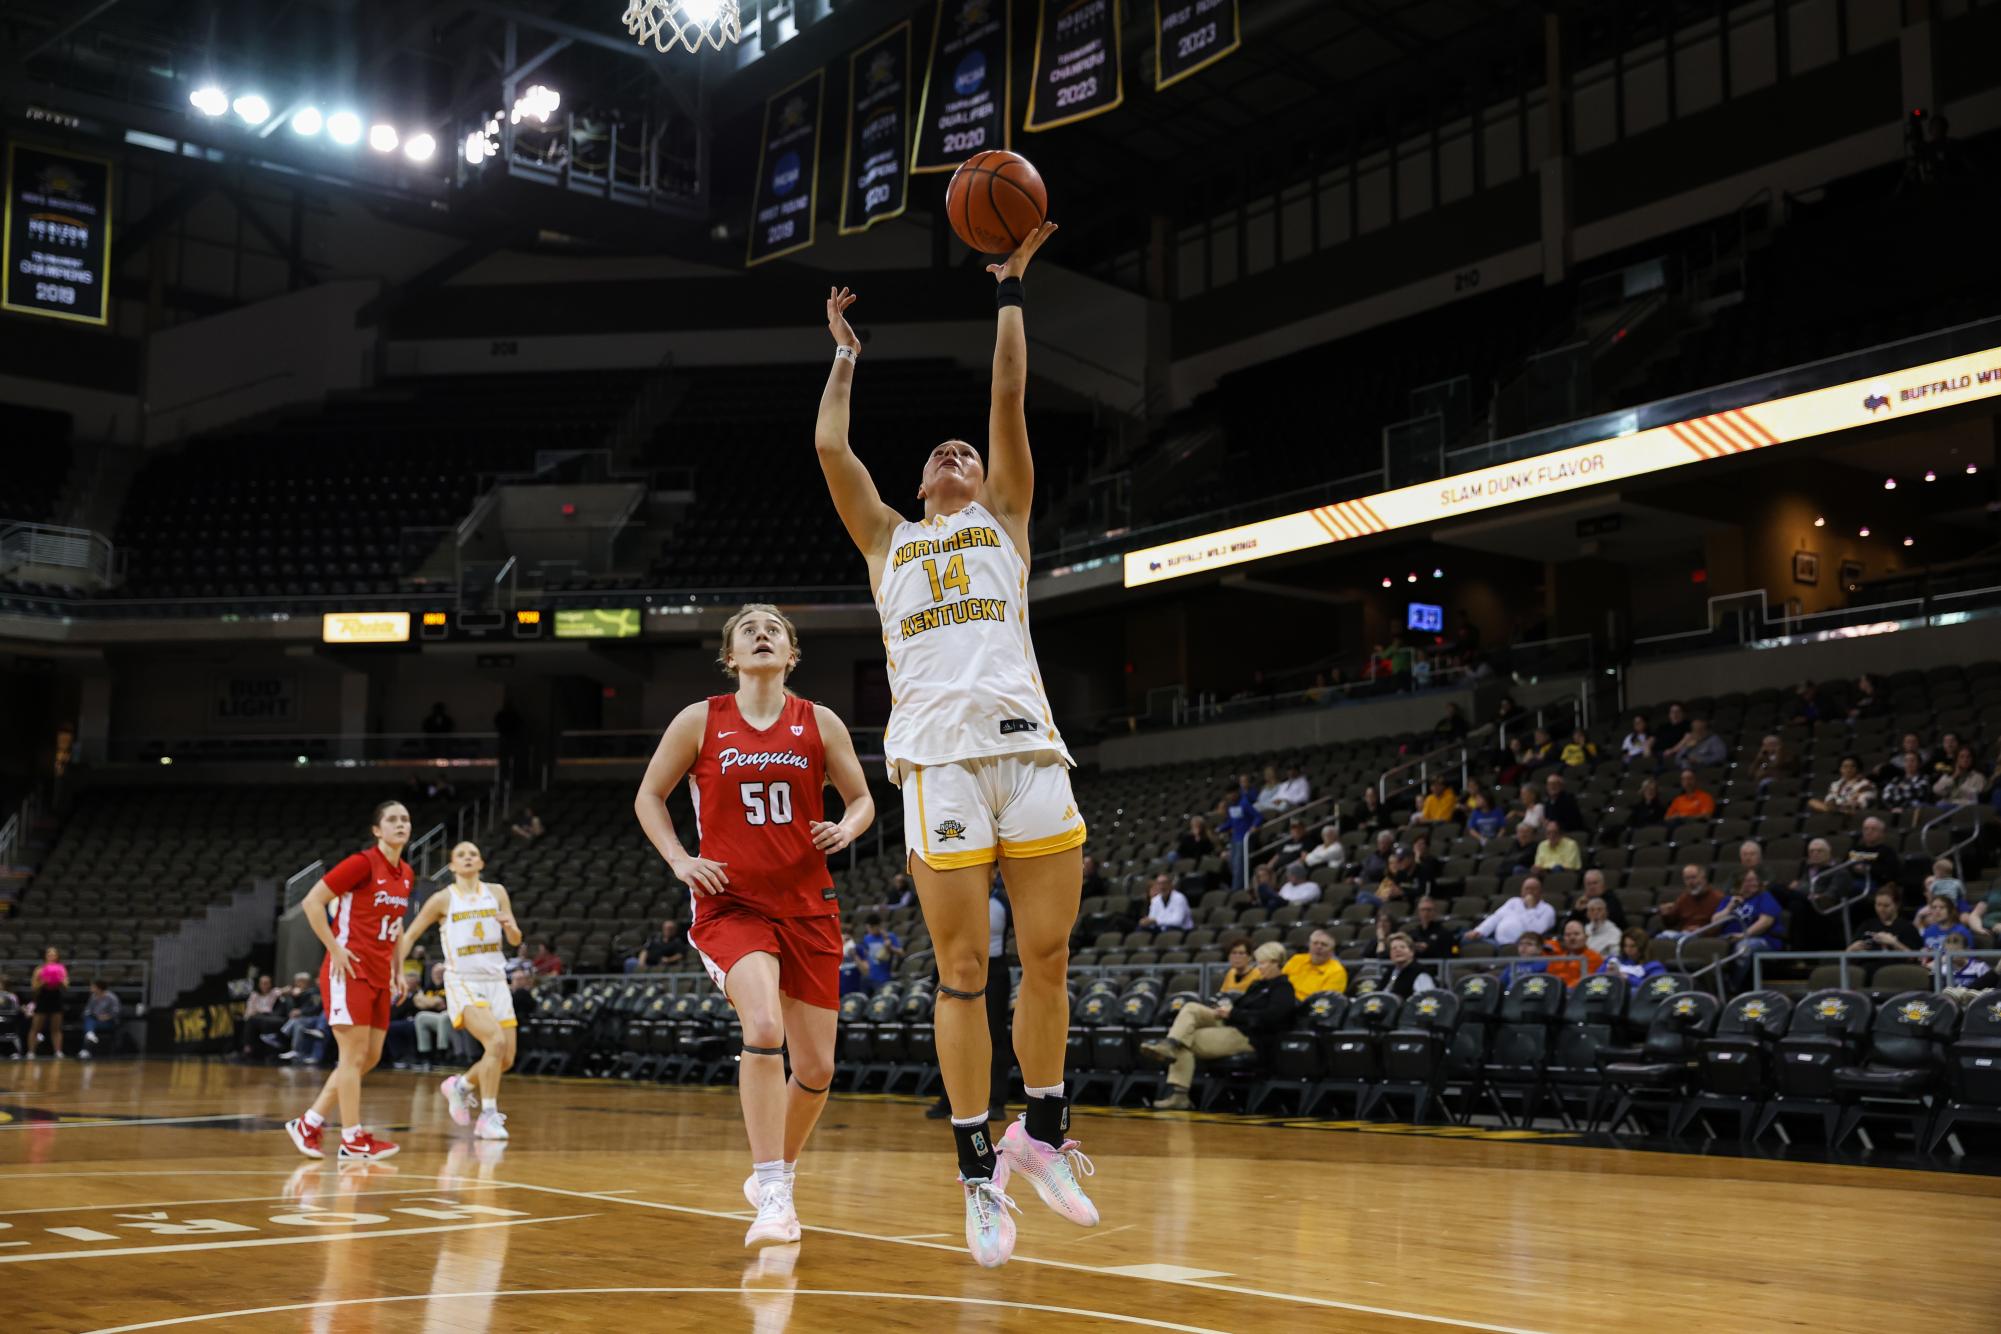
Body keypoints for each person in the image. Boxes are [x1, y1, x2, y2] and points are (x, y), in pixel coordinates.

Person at [818, 239, 1101, 1270]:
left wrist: (1010, 290)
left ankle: (1045, 1130)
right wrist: (844, 357)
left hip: (1028, 751)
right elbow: (831, 456)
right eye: (943, 453)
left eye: (967, 454)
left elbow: (1010, 394)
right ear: (920, 481)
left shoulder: (1008, 523)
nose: (957, 453)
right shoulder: (890, 538)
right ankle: (978, 1172)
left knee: (1050, 957)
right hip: (937, 762)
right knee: (963, 967)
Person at [634, 601, 876, 1250]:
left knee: (819, 1068)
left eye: (774, 628)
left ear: (790, 655)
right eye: (749, 629)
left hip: (808, 905)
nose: (762, 633)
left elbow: (861, 799)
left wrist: (845, 828)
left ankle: (777, 1168)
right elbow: (648, 795)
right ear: (730, 657)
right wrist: (681, 859)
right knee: (763, 1026)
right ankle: (773, 1191)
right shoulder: (700, 720)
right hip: (731, 905)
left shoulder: (818, 723)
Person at [283, 800, 416, 1162]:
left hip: (378, 974)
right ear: (377, 830)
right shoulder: (361, 863)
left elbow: (396, 927)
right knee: (352, 1056)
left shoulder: (406, 872)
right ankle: (352, 1138)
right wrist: (334, 949)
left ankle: (309, 1123)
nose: (400, 824)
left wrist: (398, 970)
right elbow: (313, 902)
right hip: (349, 971)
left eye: (405, 819)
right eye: (392, 819)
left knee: (368, 1057)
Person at [397, 841, 526, 1141]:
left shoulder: (497, 892)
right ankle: (489, 1117)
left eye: (473, 854)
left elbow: (517, 938)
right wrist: (396, 970)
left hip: (496, 980)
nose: (468, 858)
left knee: (505, 1058)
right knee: (494, 1042)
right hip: (462, 980)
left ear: (480, 863)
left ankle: (462, 1086)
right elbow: (412, 933)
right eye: (461, 855)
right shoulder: (443, 899)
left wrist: (510, 928)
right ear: (452, 866)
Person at [1141, 941, 1297, 1110]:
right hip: (1233, 1025)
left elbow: (1271, 1018)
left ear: (1276, 963)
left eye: (1263, 963)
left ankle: (1180, 1095)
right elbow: (1240, 1009)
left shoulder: (1283, 989)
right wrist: (1226, 1012)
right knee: (1191, 1008)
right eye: (1258, 963)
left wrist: (1233, 1014)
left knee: (1186, 1039)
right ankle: (1169, 1044)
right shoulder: (1257, 985)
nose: (1259, 968)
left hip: (1250, 1037)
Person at [1714, 869, 1787, 986]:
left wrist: (1743, 935)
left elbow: (1765, 922)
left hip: (1761, 940)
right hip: (1729, 939)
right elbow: (1714, 922)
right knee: (1710, 947)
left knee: (1744, 947)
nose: (1754, 883)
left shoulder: (1764, 897)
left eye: (1755, 880)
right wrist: (1729, 908)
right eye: (1749, 881)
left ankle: (1733, 986)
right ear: (1739, 883)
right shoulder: (1729, 900)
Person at [1464, 877, 1556, 947]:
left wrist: (1530, 909)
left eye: (1533, 889)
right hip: (1497, 942)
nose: (1529, 892)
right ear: (1521, 891)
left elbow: (1537, 931)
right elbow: (1496, 917)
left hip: (1522, 947)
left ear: (1540, 892)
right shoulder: (1513, 902)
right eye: (1526, 889)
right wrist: (1479, 931)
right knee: (1466, 939)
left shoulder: (1547, 909)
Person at [1659, 864, 1726, 939]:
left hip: (1704, 937)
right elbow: (1671, 924)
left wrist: (1701, 930)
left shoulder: (1718, 898)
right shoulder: (1683, 898)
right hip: (1684, 935)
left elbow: (1720, 926)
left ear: (1703, 878)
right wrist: (1666, 914)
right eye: (1687, 879)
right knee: (1661, 937)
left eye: (1693, 877)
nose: (1690, 882)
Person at [1846, 889, 1922, 954]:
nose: (1881, 909)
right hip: (1867, 966)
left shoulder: (1907, 927)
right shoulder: (1867, 924)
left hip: (1894, 968)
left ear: (1897, 905)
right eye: (1878, 905)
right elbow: (1846, 954)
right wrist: (1853, 948)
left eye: (1886, 906)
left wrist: (1894, 943)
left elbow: (1913, 957)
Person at [407, 962, 451, 1069]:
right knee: (420, 1017)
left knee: (443, 1017)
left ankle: (442, 1056)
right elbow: (417, 1001)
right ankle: (425, 1056)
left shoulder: (448, 985)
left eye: (441, 972)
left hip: (449, 1017)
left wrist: (426, 1001)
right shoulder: (429, 986)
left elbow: (441, 1002)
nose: (438, 975)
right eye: (435, 973)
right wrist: (433, 1002)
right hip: (434, 1017)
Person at [1282, 929, 1349, 999]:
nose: (1319, 947)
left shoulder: (1337, 971)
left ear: (1331, 952)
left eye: (1324, 945)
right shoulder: (1296, 959)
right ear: (1309, 946)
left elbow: (1326, 1000)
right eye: (1315, 943)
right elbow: (1281, 982)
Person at [26, 946, 67, 1059]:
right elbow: (34, 987)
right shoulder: (39, 969)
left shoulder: (61, 969)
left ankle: (58, 1052)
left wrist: (61, 981)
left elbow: (66, 986)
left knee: (56, 1028)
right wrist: (43, 982)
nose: (52, 956)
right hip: (43, 997)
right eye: (49, 954)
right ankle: (31, 1052)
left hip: (56, 997)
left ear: (57, 956)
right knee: (35, 1027)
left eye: (54, 954)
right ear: (45, 956)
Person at [1541, 920, 1605, 987]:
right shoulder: (1556, 959)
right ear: (1563, 939)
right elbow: (1549, 982)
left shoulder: (1595, 958)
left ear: (1586, 937)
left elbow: (1588, 983)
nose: (1572, 938)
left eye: (1576, 934)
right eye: (1568, 935)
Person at [239, 973, 286, 1061]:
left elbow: (285, 990)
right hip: (257, 1019)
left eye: (266, 983)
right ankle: (249, 1048)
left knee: (252, 1020)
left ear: (270, 984)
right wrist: (253, 1014)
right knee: (250, 1020)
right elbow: (249, 1011)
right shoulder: (254, 995)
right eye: (262, 983)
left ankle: (247, 1047)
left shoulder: (274, 992)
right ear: (259, 984)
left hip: (270, 1017)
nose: (264, 985)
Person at [1808, 755, 1875, 816]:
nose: (1848, 769)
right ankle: (1837, 812)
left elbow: (1863, 803)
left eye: (1852, 766)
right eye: (1845, 766)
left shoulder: (1866, 784)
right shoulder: (1835, 784)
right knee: (1812, 802)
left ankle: (1837, 812)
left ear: (1858, 768)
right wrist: (1832, 804)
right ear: (1840, 769)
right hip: (1836, 809)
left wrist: (1844, 805)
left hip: (1852, 811)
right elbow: (1829, 800)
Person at [1377, 932, 1436, 996]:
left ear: (1412, 952)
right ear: (1390, 954)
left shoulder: (1420, 973)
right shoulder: (1390, 972)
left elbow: (1424, 1000)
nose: (1398, 950)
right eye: (1394, 948)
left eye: (1402, 947)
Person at [79, 979, 121, 1057]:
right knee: (88, 1020)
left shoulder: (111, 997)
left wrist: (107, 1017)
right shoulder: (93, 997)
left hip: (108, 1022)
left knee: (88, 1026)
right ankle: (90, 1035)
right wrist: (92, 1015)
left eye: (93, 986)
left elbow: (116, 1012)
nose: (91, 988)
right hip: (95, 1020)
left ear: (99, 987)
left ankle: (85, 1049)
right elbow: (87, 1010)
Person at [859, 915, 904, 986]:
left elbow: (901, 953)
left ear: (878, 926)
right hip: (870, 975)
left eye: (871, 928)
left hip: (884, 976)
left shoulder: (889, 936)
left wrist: (890, 947)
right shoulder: (866, 938)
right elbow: (866, 954)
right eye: (868, 928)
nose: (869, 930)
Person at [0, 972, 22, 1059]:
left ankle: (13, 1051)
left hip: (9, 1020)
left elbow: (15, 1009)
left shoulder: (12, 996)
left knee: (9, 1031)